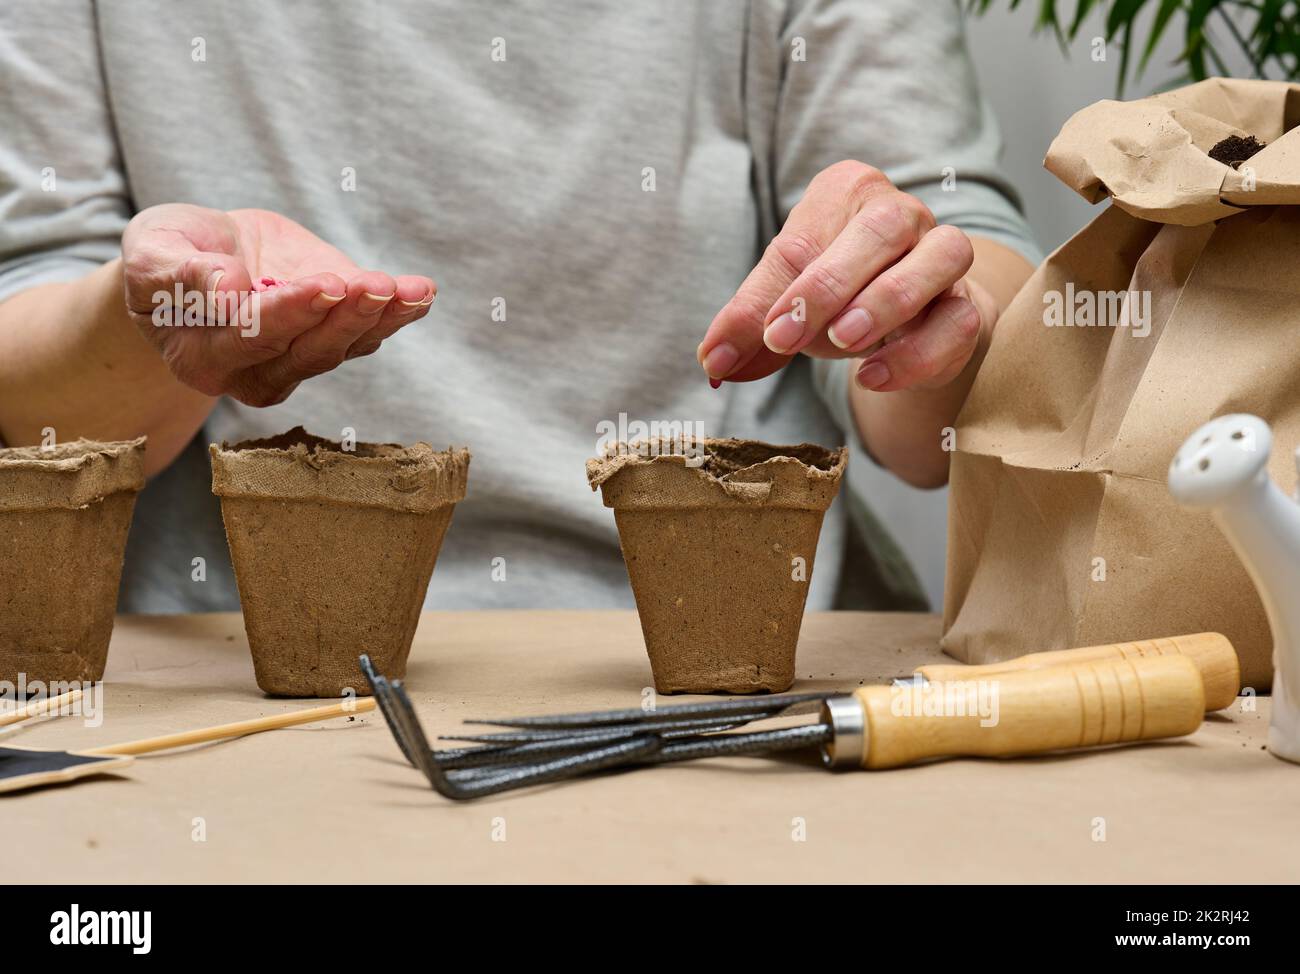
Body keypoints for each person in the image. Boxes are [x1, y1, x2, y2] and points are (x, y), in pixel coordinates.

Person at [0, 0, 1038, 614]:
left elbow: (945, 325)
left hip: (760, 655)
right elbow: (56, 403)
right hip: (228, 656)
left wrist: (918, 309)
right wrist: (166, 319)